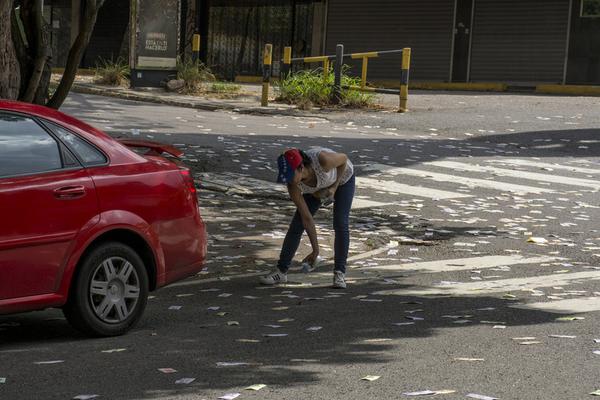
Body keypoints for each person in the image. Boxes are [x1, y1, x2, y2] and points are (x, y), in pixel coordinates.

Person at [259, 147, 355, 289]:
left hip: (342, 178)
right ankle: (281, 271)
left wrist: (334, 188)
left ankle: (339, 272)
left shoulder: (323, 160)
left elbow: (344, 159)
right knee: (297, 224)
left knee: (340, 222)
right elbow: (307, 218)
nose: (289, 180)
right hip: (316, 189)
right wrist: (315, 250)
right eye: (286, 176)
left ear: (301, 167)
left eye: (291, 174)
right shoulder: (293, 185)